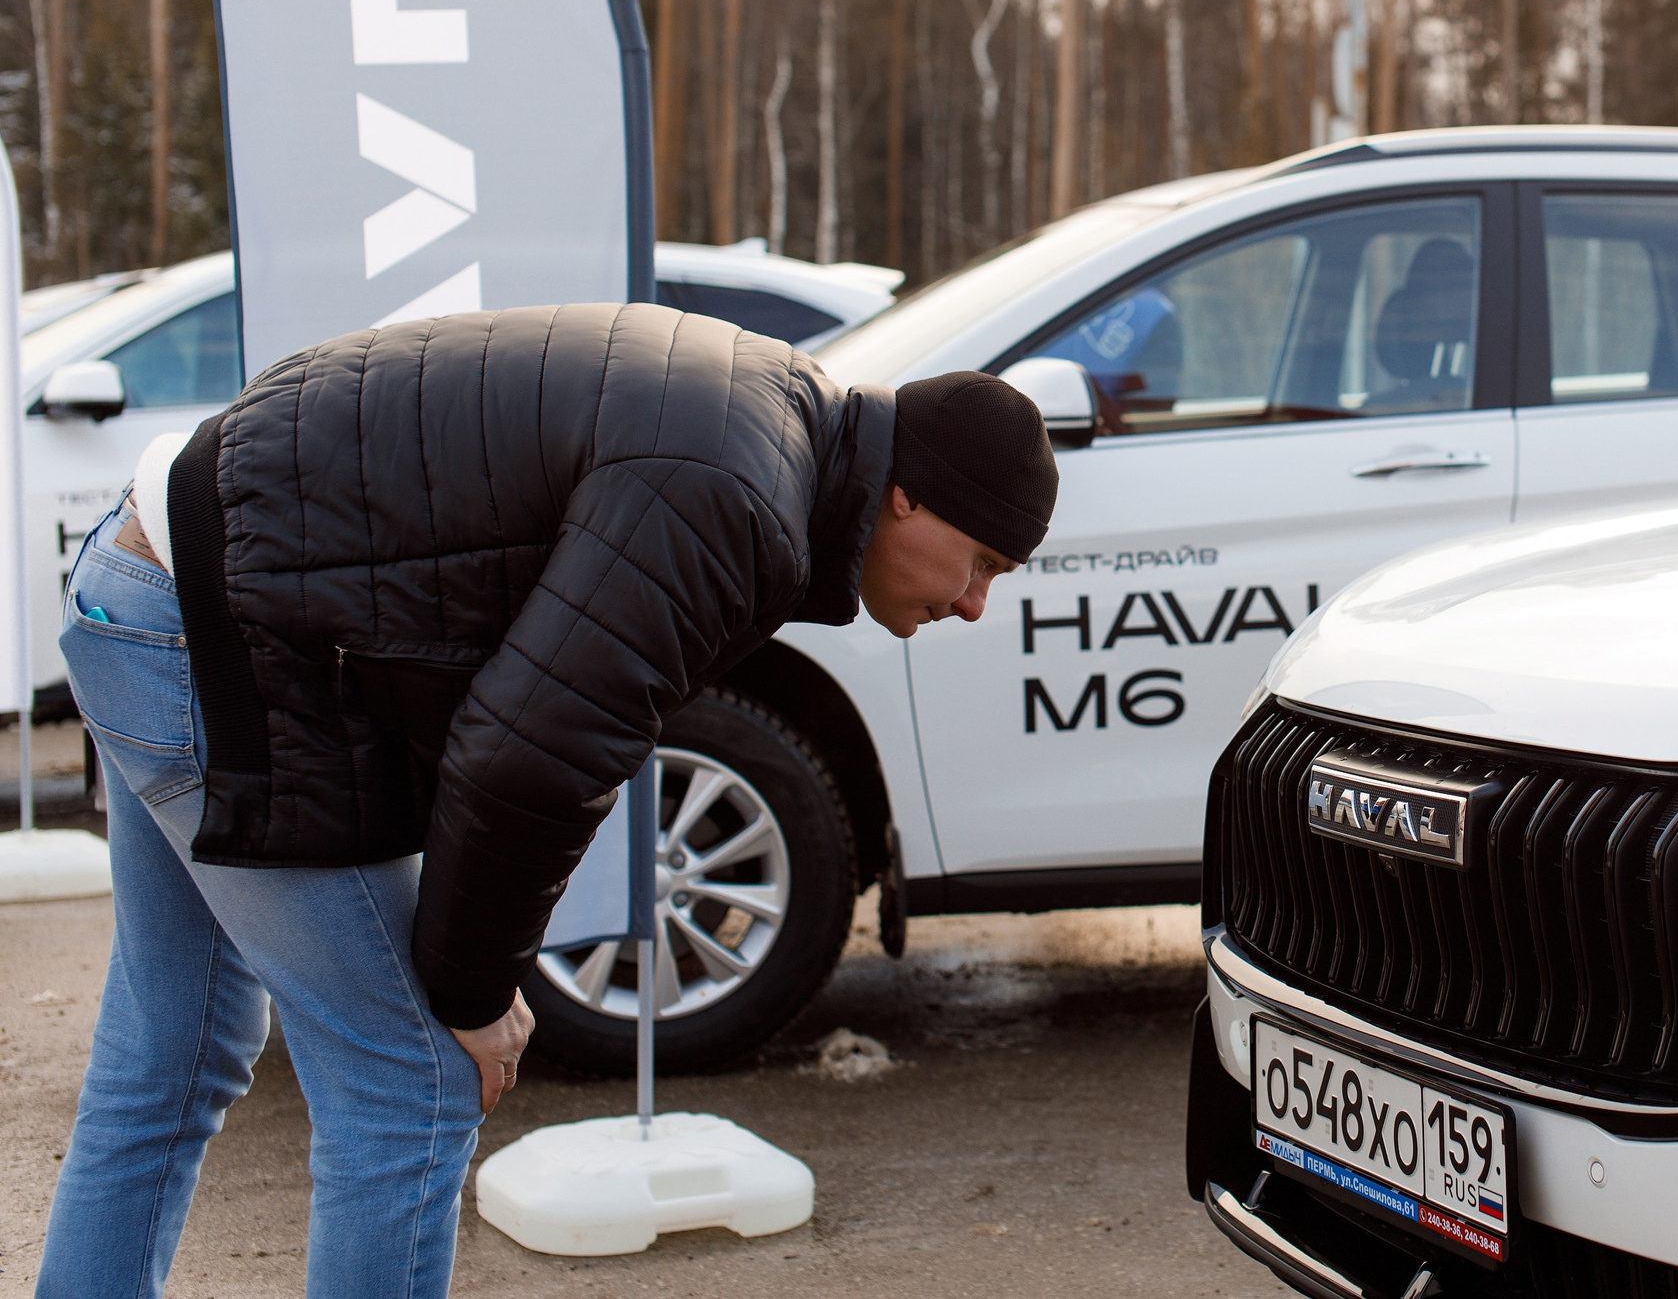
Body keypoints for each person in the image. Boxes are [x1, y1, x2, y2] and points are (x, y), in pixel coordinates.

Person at [37, 303, 1058, 1299]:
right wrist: (473, 994)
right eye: (982, 563)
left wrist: (469, 968)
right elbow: (529, 757)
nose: (973, 602)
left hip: (161, 572)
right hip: (210, 633)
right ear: (907, 497)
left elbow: (512, 704)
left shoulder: (769, 420)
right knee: (416, 1082)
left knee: (176, 1049)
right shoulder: (739, 498)